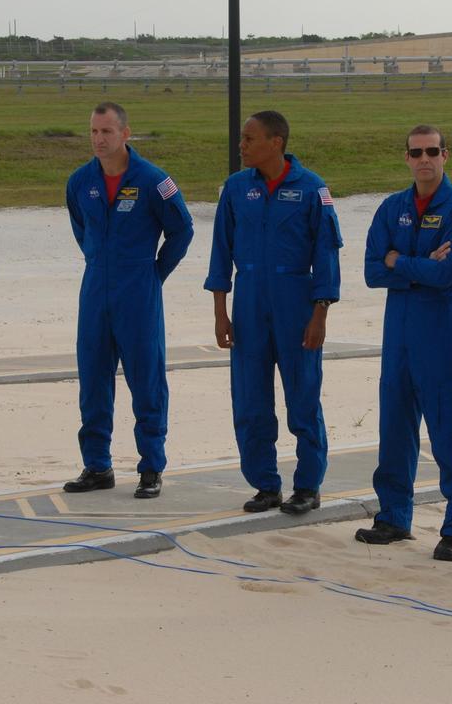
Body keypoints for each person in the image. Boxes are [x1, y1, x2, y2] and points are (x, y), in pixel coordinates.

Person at [354, 125, 452, 562]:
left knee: (448, 430)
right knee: (394, 427)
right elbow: (373, 271)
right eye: (416, 152)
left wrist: (399, 261)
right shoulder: (391, 208)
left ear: (446, 155)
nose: (424, 159)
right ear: (406, 158)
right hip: (399, 332)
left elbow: (448, 275)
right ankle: (393, 515)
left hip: (441, 330)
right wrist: (418, 265)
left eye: (432, 151)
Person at [205, 110, 343, 515]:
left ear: (276, 142)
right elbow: (220, 252)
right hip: (248, 302)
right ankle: (265, 484)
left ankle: (308, 485)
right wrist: (220, 312)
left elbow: (326, 255)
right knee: (250, 399)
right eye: (242, 139)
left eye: (249, 139)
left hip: (295, 302)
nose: (241, 145)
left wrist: (320, 313)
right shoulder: (234, 189)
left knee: (302, 397)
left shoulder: (312, 189)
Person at [63, 102, 194, 499]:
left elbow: (182, 231)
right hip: (95, 290)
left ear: (125, 133)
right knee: (93, 379)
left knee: (146, 380)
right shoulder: (80, 181)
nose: (99, 140)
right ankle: (97, 465)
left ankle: (151, 467)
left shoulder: (154, 181)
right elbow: (80, 226)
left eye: (106, 132)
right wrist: (97, 258)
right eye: (93, 132)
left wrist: (154, 273)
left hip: (138, 291)